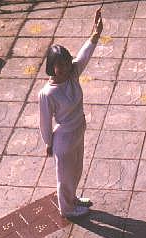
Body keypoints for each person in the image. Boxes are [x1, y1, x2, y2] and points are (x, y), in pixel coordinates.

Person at [38, 8, 103, 217]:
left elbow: (84, 56)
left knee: (76, 170)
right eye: (59, 65)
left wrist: (95, 34)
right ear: (51, 67)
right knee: (64, 177)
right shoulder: (47, 93)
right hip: (64, 138)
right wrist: (48, 143)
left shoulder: (73, 74)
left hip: (79, 130)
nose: (64, 67)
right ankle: (66, 209)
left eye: (66, 62)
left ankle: (73, 199)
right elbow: (45, 122)